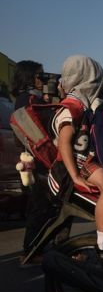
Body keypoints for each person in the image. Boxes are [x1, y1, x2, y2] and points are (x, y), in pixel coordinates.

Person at [50, 55, 103, 272]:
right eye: (95, 77)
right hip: (72, 164)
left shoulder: (82, 103)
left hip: (81, 160)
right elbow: (64, 143)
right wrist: (76, 177)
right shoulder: (73, 106)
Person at [11, 60, 54, 267]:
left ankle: (38, 250)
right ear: (28, 77)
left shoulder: (30, 98)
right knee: (40, 207)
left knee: (43, 207)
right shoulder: (26, 100)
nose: (43, 79)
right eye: (40, 75)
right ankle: (29, 253)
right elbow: (33, 134)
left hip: (38, 160)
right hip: (37, 161)